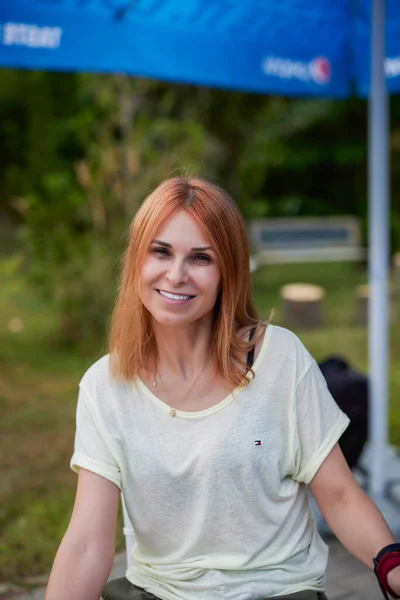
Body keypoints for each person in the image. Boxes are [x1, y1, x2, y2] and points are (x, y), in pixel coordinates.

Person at [45, 177, 400, 600]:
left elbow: (340, 496)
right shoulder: (105, 386)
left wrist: (392, 567)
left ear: (226, 271)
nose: (176, 275)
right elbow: (86, 543)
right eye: (160, 252)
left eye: (200, 258)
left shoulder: (281, 358)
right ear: (137, 260)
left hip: (279, 592)